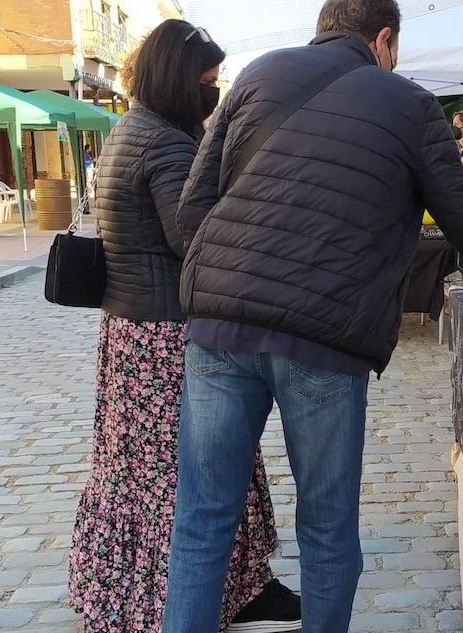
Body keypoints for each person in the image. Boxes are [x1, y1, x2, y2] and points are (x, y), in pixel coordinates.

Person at [162, 0, 463, 631]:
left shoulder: (255, 75)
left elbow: (193, 208)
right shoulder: (410, 104)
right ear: (383, 38)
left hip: (221, 330)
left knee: (202, 520)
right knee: (327, 530)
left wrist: (236, 272)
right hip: (322, 339)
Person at [67, 20, 301, 633]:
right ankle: (163, 603)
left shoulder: (131, 130)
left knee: (176, 468)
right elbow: (192, 236)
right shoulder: (167, 145)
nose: (214, 91)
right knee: (183, 476)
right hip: (164, 339)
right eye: (207, 80)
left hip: (134, 332)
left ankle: (244, 585)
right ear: (177, 79)